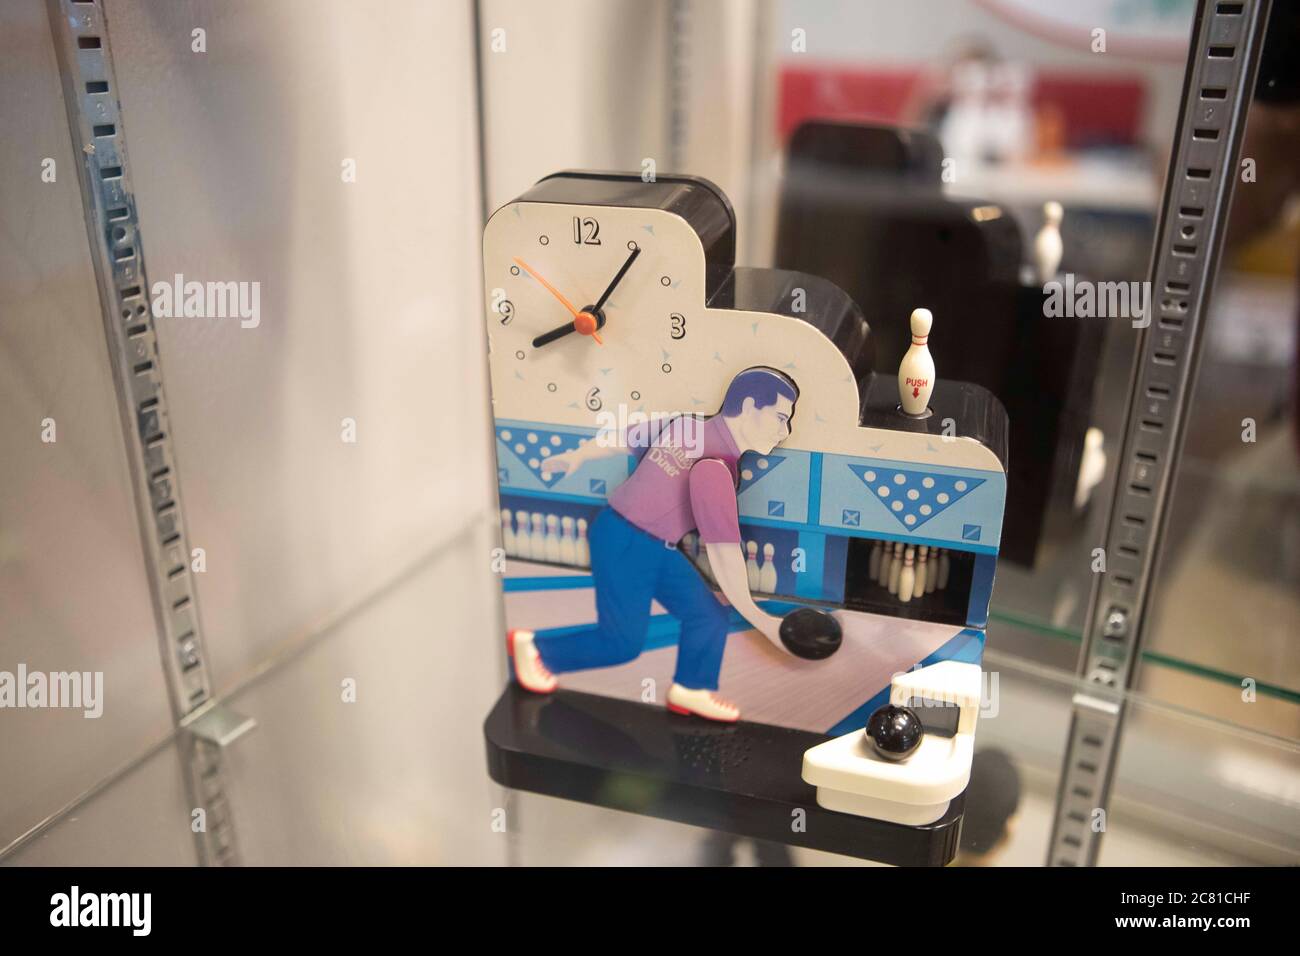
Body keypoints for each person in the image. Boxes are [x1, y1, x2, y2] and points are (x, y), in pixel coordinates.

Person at [506, 367, 799, 722]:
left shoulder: (686, 426)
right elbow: (724, 555)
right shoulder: (715, 469)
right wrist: (760, 620)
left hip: (640, 540)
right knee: (621, 644)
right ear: (751, 406)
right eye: (781, 417)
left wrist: (578, 454)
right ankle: (535, 647)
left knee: (706, 616)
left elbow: (623, 438)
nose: (786, 431)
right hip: (629, 543)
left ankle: (690, 688)